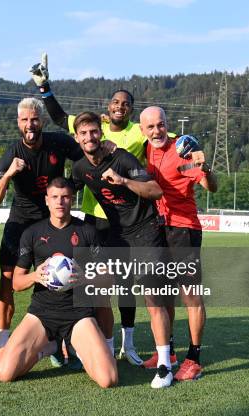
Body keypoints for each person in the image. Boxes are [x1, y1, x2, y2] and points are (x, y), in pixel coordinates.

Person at [31, 53, 144, 365]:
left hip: (127, 221)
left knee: (124, 283)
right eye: (115, 102)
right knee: (89, 283)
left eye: (125, 104)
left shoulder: (138, 132)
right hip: (95, 219)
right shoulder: (95, 127)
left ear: (131, 110)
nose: (119, 107)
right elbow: (59, 117)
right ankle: (86, 342)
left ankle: (128, 343)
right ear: (108, 107)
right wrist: (45, 88)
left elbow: (162, 140)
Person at [70, 111, 175, 388]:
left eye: (94, 132)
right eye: (84, 133)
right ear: (77, 138)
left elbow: (155, 190)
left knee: (152, 297)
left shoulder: (123, 158)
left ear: (101, 134)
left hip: (145, 231)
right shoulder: (80, 168)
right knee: (108, 290)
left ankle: (165, 364)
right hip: (116, 236)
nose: (90, 137)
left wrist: (124, 180)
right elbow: (66, 191)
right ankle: (106, 348)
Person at [0, 97, 85, 364]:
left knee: (64, 276)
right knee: (8, 283)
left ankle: (63, 341)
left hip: (52, 223)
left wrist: (73, 184)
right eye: (24, 120)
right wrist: (8, 174)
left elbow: (87, 157)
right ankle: (3, 344)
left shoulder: (58, 143)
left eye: (34, 119)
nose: (30, 124)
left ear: (41, 120)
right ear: (18, 123)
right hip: (20, 224)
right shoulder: (13, 152)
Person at [0, 177, 117, 388]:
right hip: (42, 312)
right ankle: (49, 346)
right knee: (4, 374)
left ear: (72, 199)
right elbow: (16, 283)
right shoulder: (32, 233)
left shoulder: (87, 232)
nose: (60, 202)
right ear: (47, 200)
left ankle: (78, 347)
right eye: (55, 197)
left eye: (65, 197)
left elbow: (109, 278)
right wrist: (35, 276)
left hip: (78, 313)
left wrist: (85, 277)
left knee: (108, 380)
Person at [140, 106, 218, 381]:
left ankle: (194, 358)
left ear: (167, 124)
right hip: (157, 230)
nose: (156, 131)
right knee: (162, 295)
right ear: (142, 130)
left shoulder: (182, 150)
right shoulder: (146, 149)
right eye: (150, 127)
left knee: (190, 295)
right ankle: (169, 353)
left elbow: (212, 186)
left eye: (160, 125)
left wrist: (204, 167)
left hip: (183, 230)